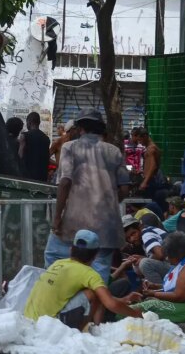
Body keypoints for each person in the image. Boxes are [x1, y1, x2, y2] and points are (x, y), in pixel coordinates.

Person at [47, 108, 130, 283]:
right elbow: (124, 189)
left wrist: (57, 218)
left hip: (74, 222)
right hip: (107, 227)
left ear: (80, 128)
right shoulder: (114, 151)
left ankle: (62, 303)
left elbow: (65, 181)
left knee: (54, 258)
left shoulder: (70, 147)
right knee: (98, 276)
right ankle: (93, 306)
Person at [25, 229, 143, 329]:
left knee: (95, 292)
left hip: (31, 322)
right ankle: (94, 329)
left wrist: (123, 300)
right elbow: (110, 303)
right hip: (51, 327)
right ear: (95, 255)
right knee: (94, 293)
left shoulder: (57, 263)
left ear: (71, 249)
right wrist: (135, 314)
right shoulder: (89, 274)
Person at [132, 232, 185, 323]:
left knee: (151, 306)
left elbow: (180, 296)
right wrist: (154, 286)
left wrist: (153, 294)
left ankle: (119, 313)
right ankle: (121, 311)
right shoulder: (183, 263)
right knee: (149, 306)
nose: (167, 260)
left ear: (177, 254)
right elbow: (178, 287)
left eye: (168, 257)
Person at [122, 215, 170, 284]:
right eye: (128, 238)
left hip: (177, 266)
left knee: (144, 263)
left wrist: (143, 260)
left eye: (133, 233)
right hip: (174, 265)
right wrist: (143, 258)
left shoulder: (146, 234)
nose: (132, 239)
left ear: (140, 227)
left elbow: (160, 255)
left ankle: (159, 290)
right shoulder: (147, 232)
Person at [134, 127, 168, 217]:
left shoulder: (151, 149)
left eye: (140, 140)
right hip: (150, 179)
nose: (140, 142)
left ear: (145, 136)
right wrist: (142, 171)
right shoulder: (151, 148)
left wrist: (145, 182)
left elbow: (153, 166)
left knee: (149, 205)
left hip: (151, 181)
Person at [19, 112, 50, 181]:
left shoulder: (24, 136)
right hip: (42, 178)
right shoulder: (46, 138)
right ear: (39, 122)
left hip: (26, 177)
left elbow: (20, 156)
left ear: (29, 122)